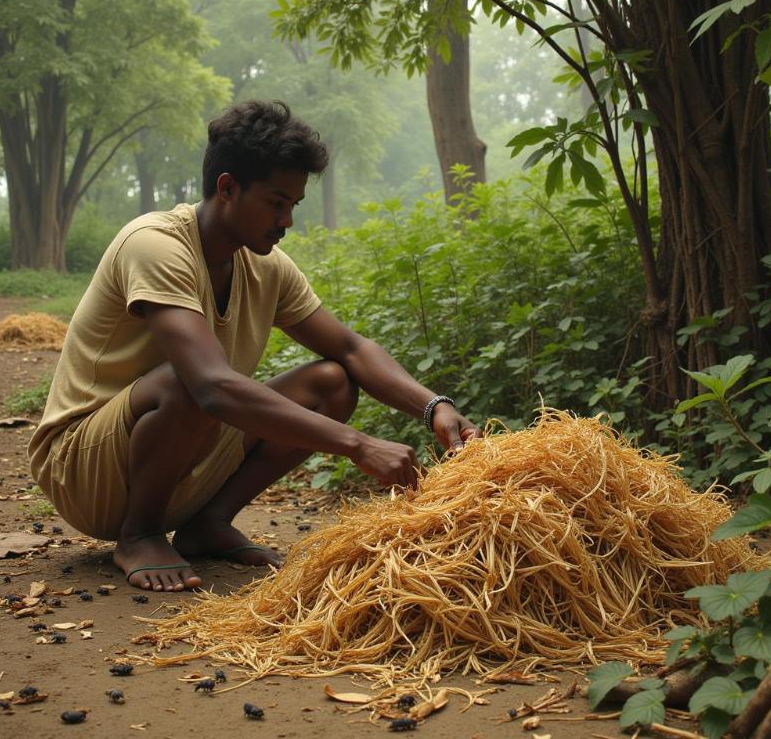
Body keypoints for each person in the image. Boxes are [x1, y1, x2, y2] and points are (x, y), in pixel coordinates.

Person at [28, 100, 480, 593]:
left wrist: (435, 406)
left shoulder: (265, 265)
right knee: (191, 382)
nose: (286, 220)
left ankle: (207, 524)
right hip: (83, 468)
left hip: (181, 455)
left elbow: (351, 349)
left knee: (331, 383)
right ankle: (140, 534)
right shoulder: (155, 245)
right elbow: (211, 389)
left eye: (294, 206)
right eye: (275, 202)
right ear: (227, 188)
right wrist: (359, 445)